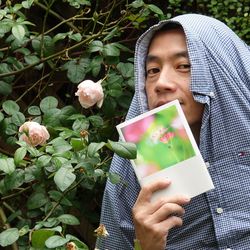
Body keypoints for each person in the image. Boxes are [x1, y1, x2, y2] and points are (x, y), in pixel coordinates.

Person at [96, 13, 250, 249]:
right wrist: (147, 245)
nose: (161, 83)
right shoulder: (128, 179)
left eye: (184, 66)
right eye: (152, 70)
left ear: (222, 72)